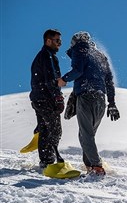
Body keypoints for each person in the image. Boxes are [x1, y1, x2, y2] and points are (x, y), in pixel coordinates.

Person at [58, 31, 120, 177]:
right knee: (86, 135)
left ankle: (97, 166)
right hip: (100, 99)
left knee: (86, 135)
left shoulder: (80, 49)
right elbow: (109, 81)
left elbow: (78, 70)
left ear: (75, 41)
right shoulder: (100, 56)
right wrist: (111, 103)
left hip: (86, 97)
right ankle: (89, 165)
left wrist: (64, 79)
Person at [29, 29, 65, 169]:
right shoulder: (47, 56)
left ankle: (46, 161)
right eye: (57, 41)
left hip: (39, 98)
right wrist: (58, 97)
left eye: (60, 41)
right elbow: (51, 80)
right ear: (48, 41)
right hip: (45, 99)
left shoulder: (44, 56)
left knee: (45, 128)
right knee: (55, 130)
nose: (59, 44)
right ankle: (49, 162)